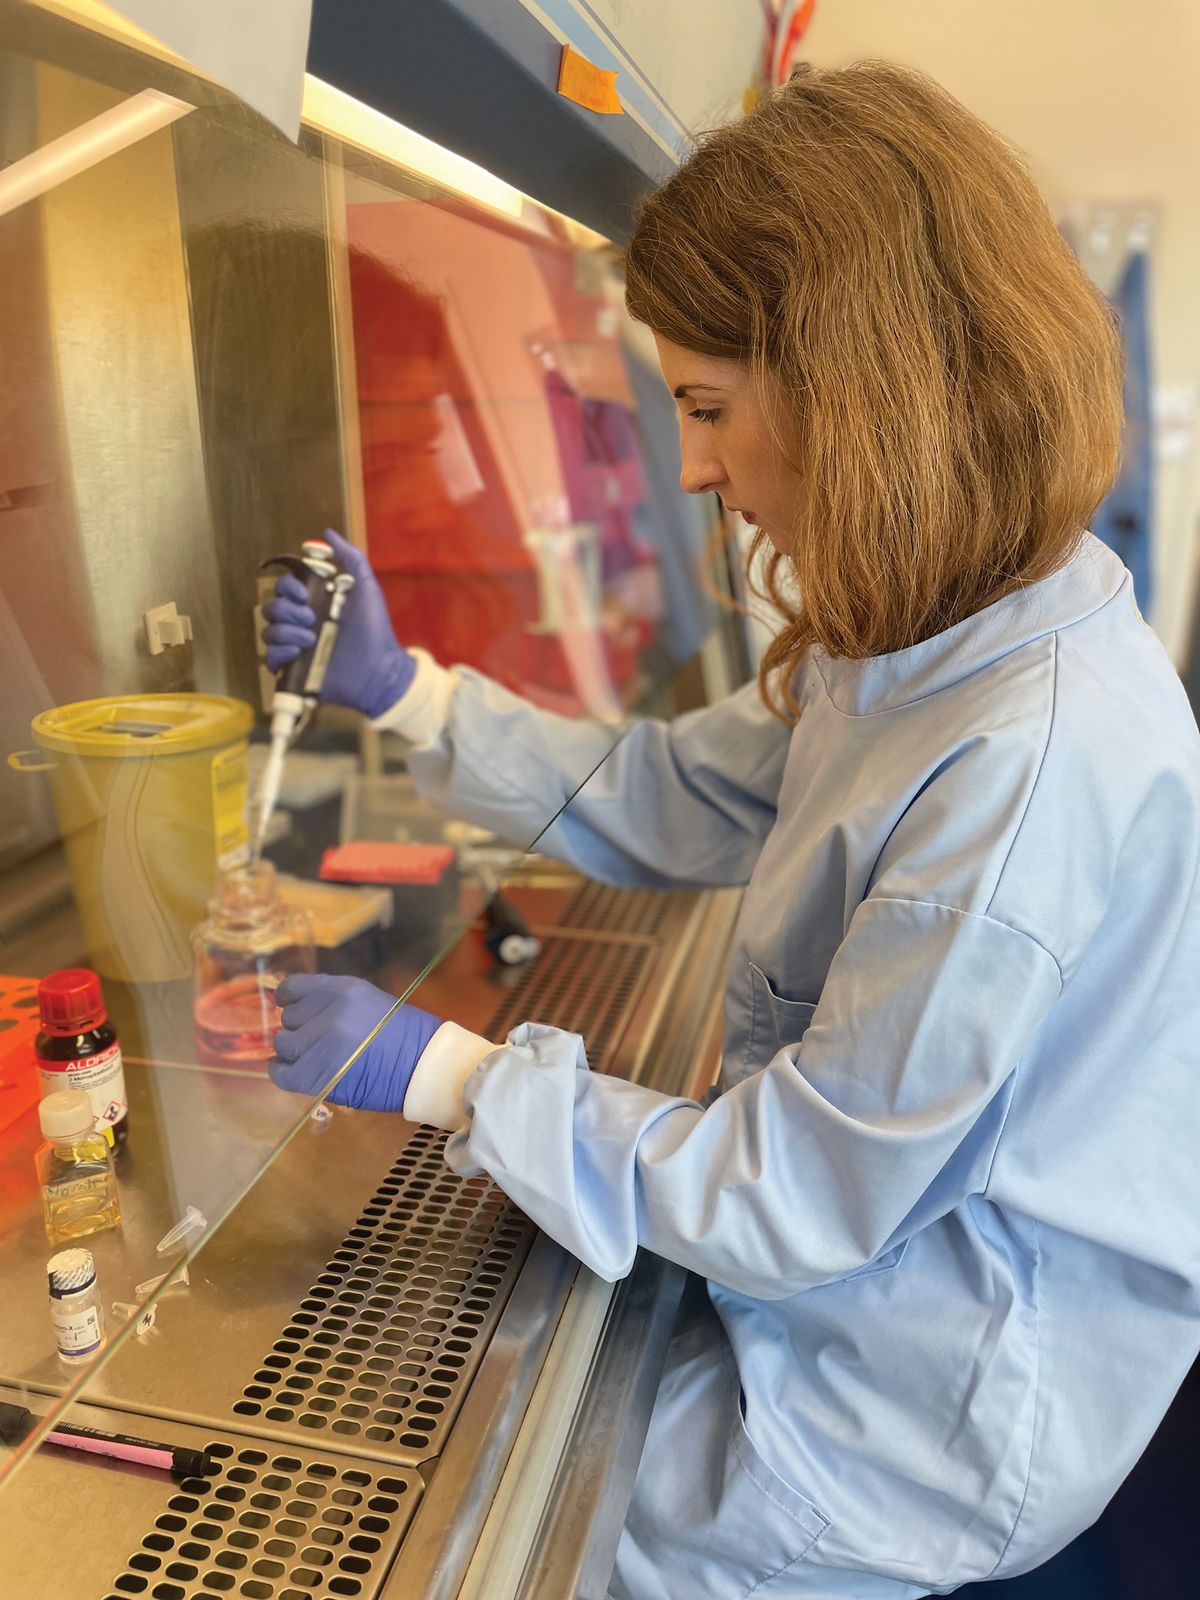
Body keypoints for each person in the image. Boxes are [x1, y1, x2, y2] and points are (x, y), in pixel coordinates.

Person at [262, 63, 1200, 1600]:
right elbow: (690, 791)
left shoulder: (1025, 764)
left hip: (919, 1420)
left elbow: (797, 1195)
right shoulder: (950, 625)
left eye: (707, 408)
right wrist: (413, 695)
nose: (693, 468)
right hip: (861, 1289)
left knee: (517, 1556)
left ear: (862, 393)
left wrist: (444, 1073)